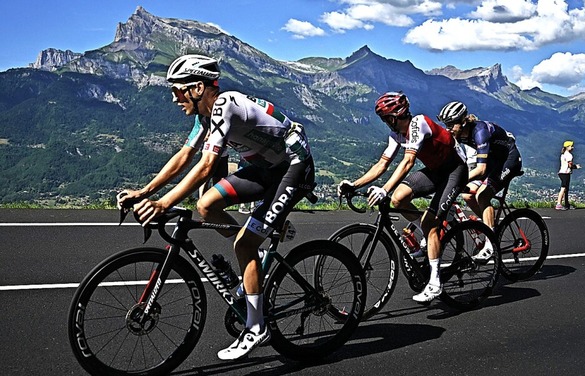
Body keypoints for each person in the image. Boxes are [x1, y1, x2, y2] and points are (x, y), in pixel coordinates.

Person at [117, 54, 315, 361]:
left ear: (197, 88)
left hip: (294, 165)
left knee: (244, 244)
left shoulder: (225, 105)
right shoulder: (204, 116)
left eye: (178, 90)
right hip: (265, 167)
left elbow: (207, 165)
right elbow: (184, 157)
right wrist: (145, 192)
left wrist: (163, 203)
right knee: (206, 205)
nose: (174, 98)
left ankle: (256, 326)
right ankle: (266, 235)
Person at [338, 92, 468, 303]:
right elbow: (382, 164)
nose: (384, 122)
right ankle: (429, 231)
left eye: (385, 117)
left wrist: (384, 189)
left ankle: (435, 283)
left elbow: (408, 162)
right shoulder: (396, 134)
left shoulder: (419, 124)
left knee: (430, 223)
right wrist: (354, 184)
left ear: (394, 116)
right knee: (398, 199)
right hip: (436, 170)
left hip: (455, 170)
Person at [438, 101, 522, 260]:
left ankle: (491, 241)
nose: (447, 129)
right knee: (468, 195)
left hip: (508, 160)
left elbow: (481, 170)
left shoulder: (480, 131)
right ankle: (488, 224)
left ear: (463, 122)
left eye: (451, 125)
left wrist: (457, 181)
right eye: (445, 125)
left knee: (482, 195)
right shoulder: (458, 134)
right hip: (493, 161)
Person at [555, 140, 581, 210]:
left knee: (565, 189)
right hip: (565, 173)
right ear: (568, 147)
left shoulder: (563, 154)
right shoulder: (569, 156)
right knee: (563, 188)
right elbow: (570, 165)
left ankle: (566, 204)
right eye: (571, 146)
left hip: (562, 172)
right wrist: (576, 167)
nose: (573, 147)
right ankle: (558, 203)